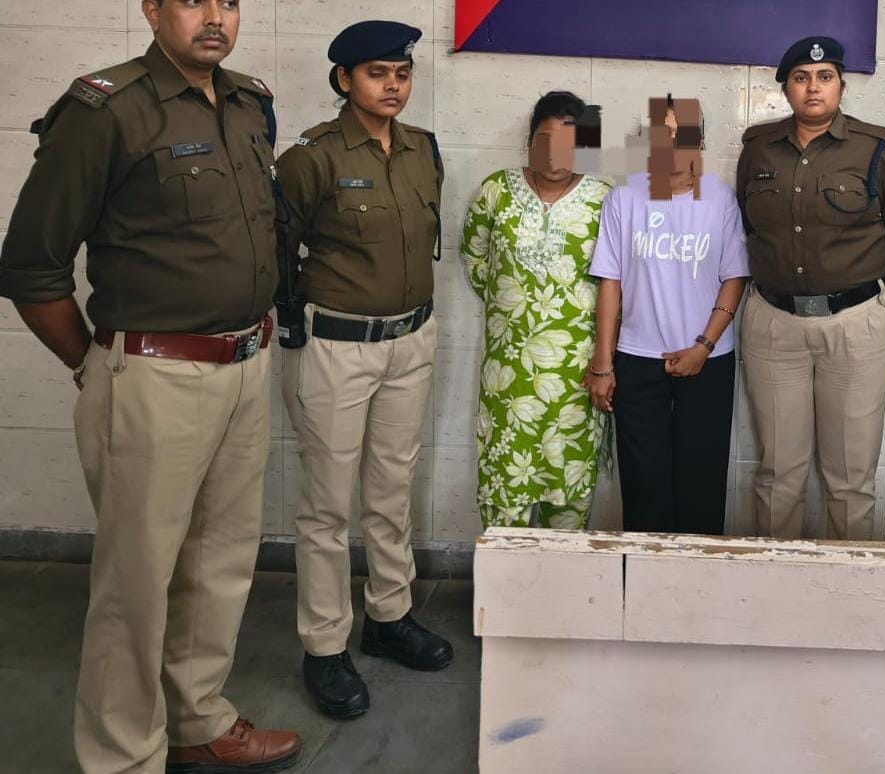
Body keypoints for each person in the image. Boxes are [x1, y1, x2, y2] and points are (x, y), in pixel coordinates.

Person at [0, 0, 302, 770]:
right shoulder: (105, 110)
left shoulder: (249, 103)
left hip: (245, 364)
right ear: (153, 9)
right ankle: (122, 756)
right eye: (194, 0)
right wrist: (95, 364)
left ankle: (197, 720)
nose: (215, 17)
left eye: (229, 2)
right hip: (154, 375)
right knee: (135, 586)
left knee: (219, 564)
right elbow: (31, 266)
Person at [274, 20, 453, 721]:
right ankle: (324, 646)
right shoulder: (311, 157)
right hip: (336, 346)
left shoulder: (422, 149)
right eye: (378, 73)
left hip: (410, 341)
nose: (393, 86)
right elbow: (276, 251)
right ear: (344, 79)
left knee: (391, 488)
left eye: (402, 73)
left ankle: (389, 615)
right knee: (326, 505)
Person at [736, 35, 885, 541]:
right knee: (778, 474)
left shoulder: (879, 146)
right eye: (801, 78)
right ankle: (777, 575)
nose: (813, 87)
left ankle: (848, 582)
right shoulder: (758, 148)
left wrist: (857, 281)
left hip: (854, 327)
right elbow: (748, 224)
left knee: (850, 479)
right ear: (786, 89)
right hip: (775, 325)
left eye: (824, 77)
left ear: (841, 85)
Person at [585, 97, 751, 534]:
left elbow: (734, 277)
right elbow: (610, 283)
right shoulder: (624, 199)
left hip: (707, 360)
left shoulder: (720, 199)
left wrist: (704, 345)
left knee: (701, 484)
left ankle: (696, 574)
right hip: (637, 359)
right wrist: (603, 362)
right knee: (644, 486)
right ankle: (645, 574)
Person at [463, 91, 614, 529]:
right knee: (504, 491)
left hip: (578, 375)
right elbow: (475, 258)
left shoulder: (604, 200)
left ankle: (560, 574)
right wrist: (516, 309)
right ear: (530, 141)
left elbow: (617, 281)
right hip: (508, 376)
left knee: (568, 494)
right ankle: (503, 575)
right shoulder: (495, 191)